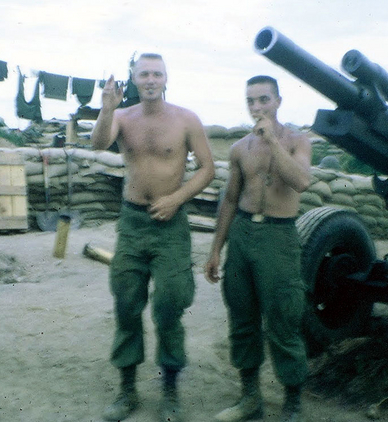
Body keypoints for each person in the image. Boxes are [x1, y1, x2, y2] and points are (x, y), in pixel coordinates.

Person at [91, 53, 215, 422]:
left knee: (169, 305)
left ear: (166, 78)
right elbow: (99, 144)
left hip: (170, 226)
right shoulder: (122, 118)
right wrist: (106, 108)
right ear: (133, 78)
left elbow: (207, 168)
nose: (150, 79)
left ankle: (170, 389)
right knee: (127, 304)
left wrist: (177, 198)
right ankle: (127, 391)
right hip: (132, 224)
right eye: (143, 73)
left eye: (156, 74)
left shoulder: (185, 119)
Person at [205, 75, 311, 422]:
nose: (257, 107)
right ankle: (250, 397)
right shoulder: (239, 149)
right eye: (251, 101)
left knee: (283, 318)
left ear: (278, 101)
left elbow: (301, 181)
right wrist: (215, 249)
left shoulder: (298, 141)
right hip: (243, 234)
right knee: (242, 317)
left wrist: (272, 143)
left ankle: (292, 400)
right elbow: (231, 199)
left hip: (279, 237)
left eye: (264, 100)